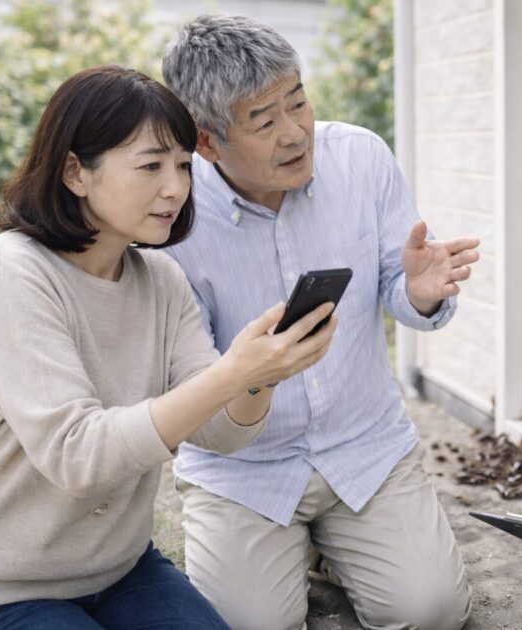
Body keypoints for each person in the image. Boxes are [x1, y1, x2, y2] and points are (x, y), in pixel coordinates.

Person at [0, 65, 336, 628]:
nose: (176, 187)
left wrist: (260, 374)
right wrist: (230, 374)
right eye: (150, 166)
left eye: (184, 166)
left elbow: (220, 433)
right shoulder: (7, 276)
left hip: (121, 570)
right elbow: (78, 456)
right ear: (75, 172)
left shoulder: (159, 279)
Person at [159, 14, 478, 630]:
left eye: (298, 103)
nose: (295, 133)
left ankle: (333, 548)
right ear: (206, 141)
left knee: (433, 613)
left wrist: (418, 293)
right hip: (244, 472)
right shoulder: (173, 214)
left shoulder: (360, 157)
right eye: (264, 121)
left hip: (366, 447)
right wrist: (252, 375)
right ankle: (303, 548)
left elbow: (406, 292)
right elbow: (187, 387)